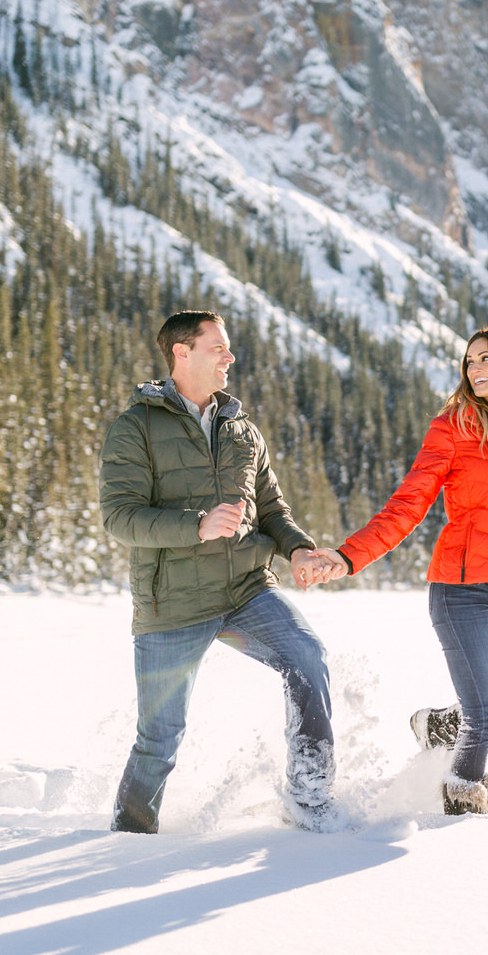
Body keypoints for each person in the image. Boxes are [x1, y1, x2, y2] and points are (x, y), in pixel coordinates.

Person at [312, 326, 488, 816]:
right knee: (483, 714)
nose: (475, 369)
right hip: (459, 592)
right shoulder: (453, 427)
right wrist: (350, 556)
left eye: (485, 359)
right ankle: (461, 807)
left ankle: (437, 726)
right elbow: (408, 503)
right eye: (469, 361)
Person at [99, 310, 342, 833]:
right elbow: (120, 517)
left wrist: (297, 550)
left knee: (308, 660)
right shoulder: (135, 426)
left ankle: (312, 802)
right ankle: (130, 838)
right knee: (160, 739)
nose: (230, 357)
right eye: (218, 348)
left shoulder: (242, 429)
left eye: (228, 348)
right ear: (181, 353)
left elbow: (272, 510)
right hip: (174, 604)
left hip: (247, 591)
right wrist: (198, 525)